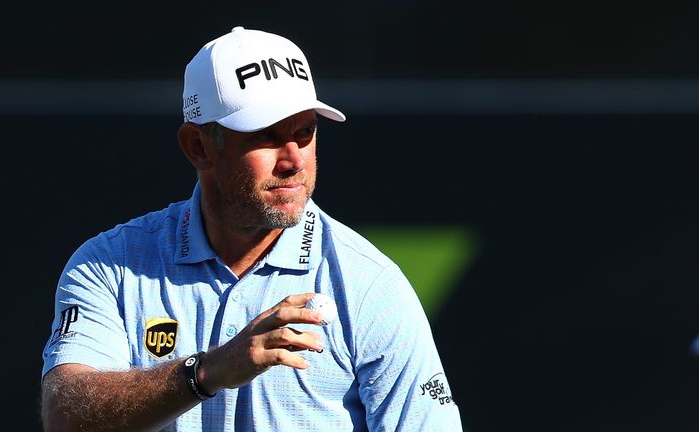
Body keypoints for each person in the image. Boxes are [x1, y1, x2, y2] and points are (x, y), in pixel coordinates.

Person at [40, 26, 463, 432]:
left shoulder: (370, 284)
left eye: (306, 132)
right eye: (266, 136)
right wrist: (208, 371)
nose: (294, 160)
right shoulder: (110, 264)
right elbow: (65, 416)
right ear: (198, 147)